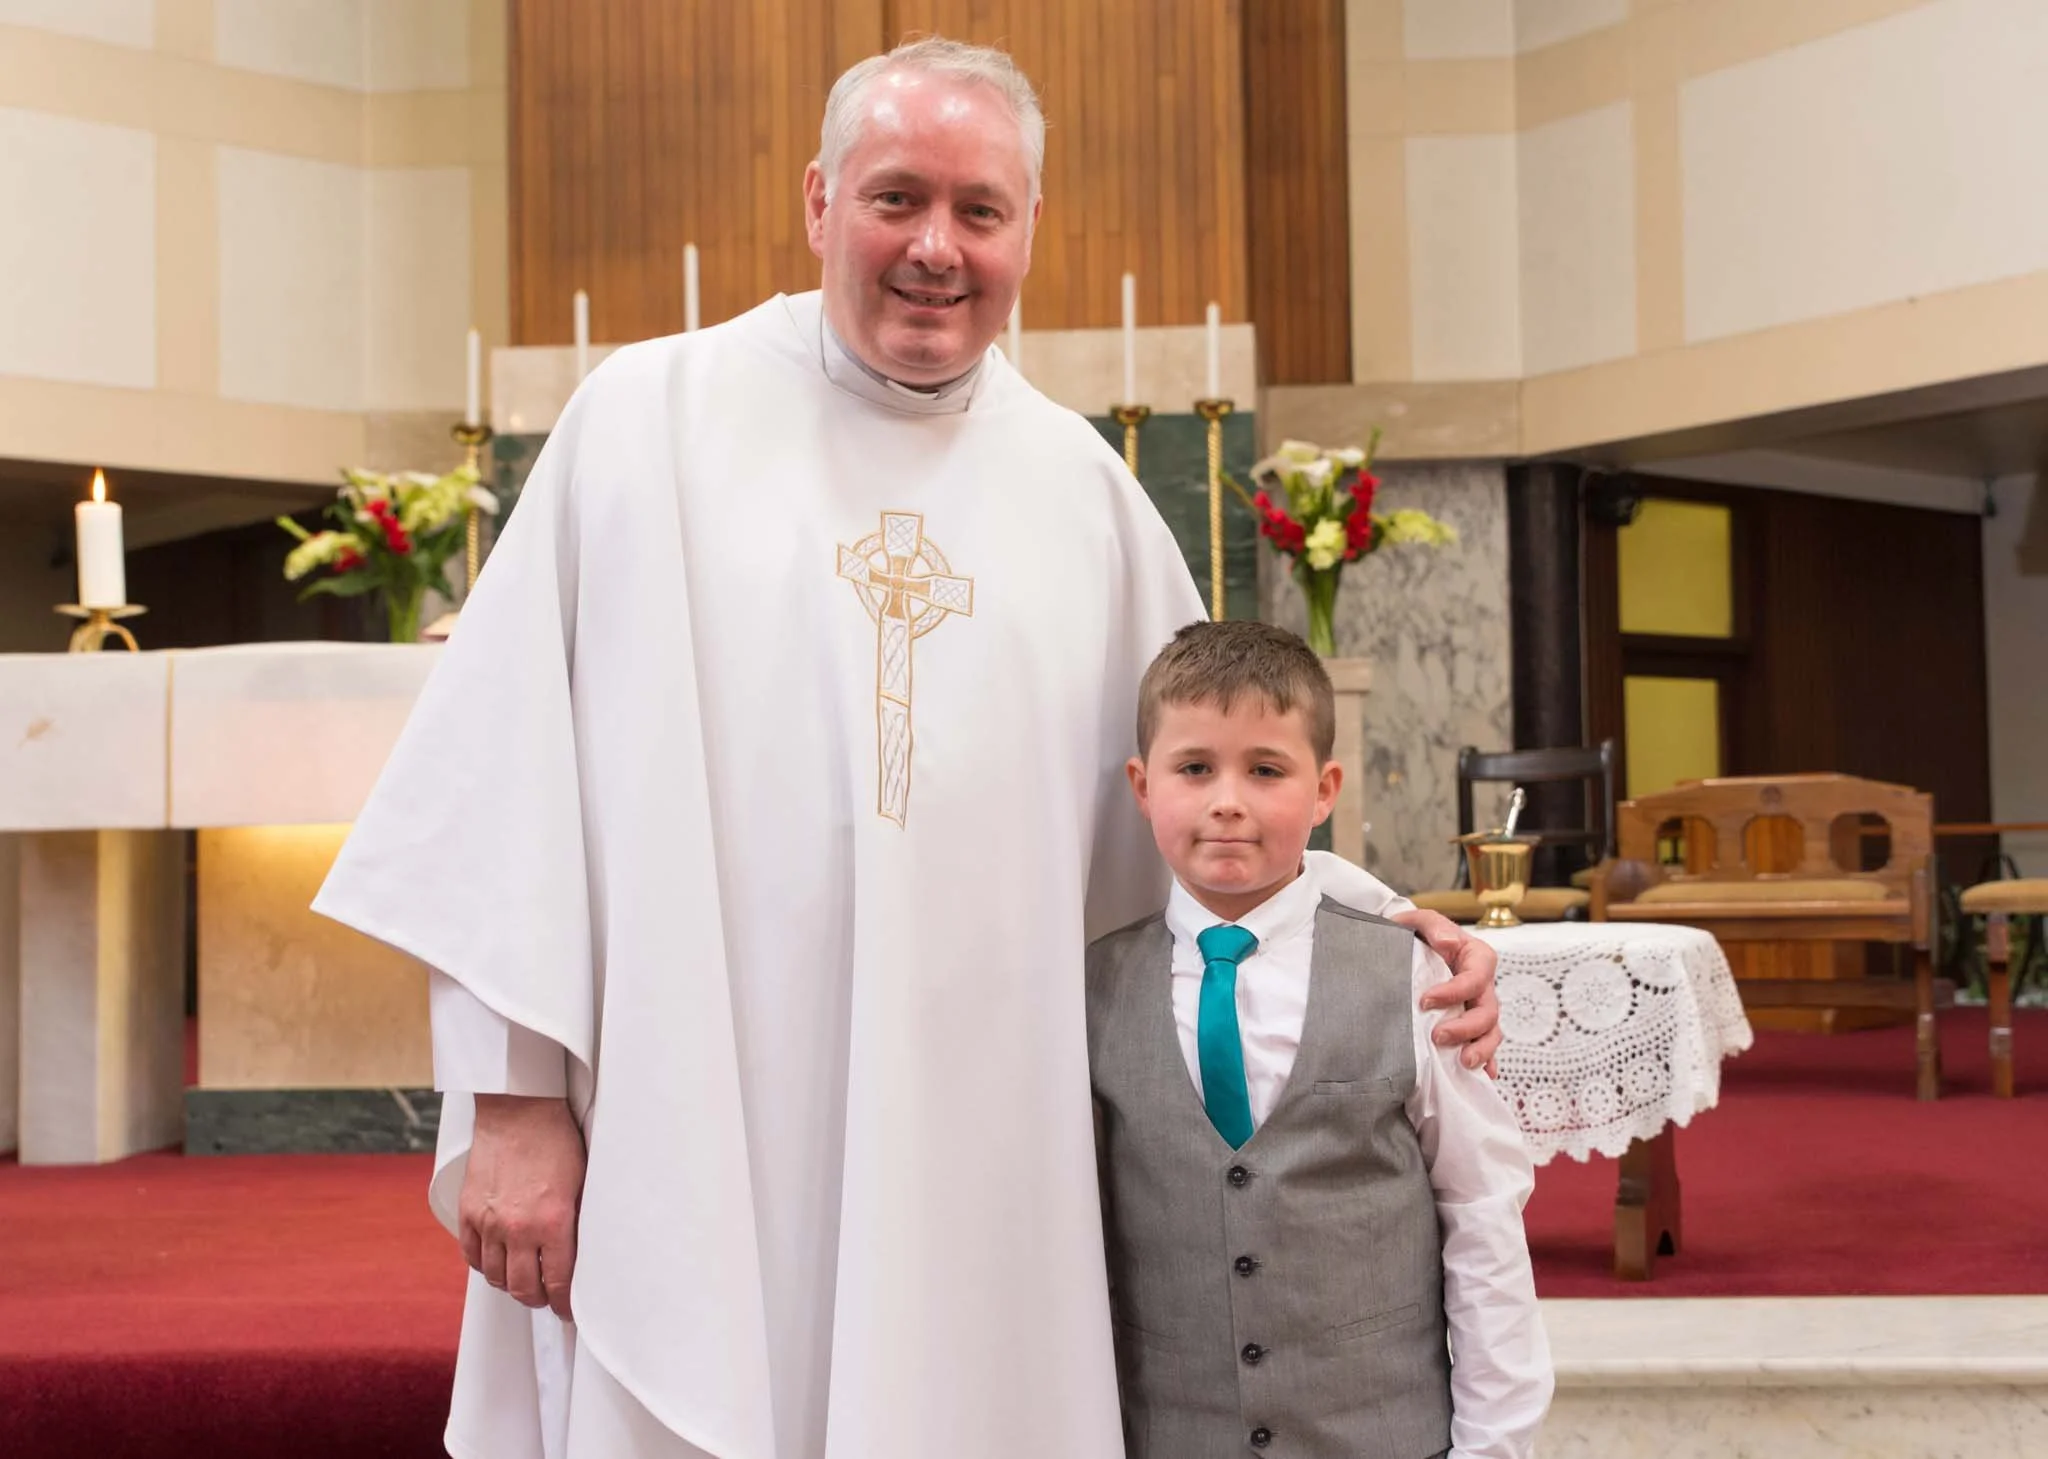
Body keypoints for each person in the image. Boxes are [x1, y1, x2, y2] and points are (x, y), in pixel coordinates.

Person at [313, 36, 1503, 1459]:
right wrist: (509, 1106)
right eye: (896, 199)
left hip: (987, 1152)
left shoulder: (1084, 491)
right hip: (693, 1113)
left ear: (1030, 230)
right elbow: (504, 787)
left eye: (979, 211)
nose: (937, 248)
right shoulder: (646, 423)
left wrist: (1391, 938)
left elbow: (1222, 802)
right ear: (820, 203)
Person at [1088, 620, 1551, 1459]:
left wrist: (1495, 1446)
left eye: (1266, 770)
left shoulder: (1412, 975)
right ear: (1142, 783)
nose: (1227, 798)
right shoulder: (1092, 991)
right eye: (1194, 768)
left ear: (1325, 787)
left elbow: (1482, 1214)